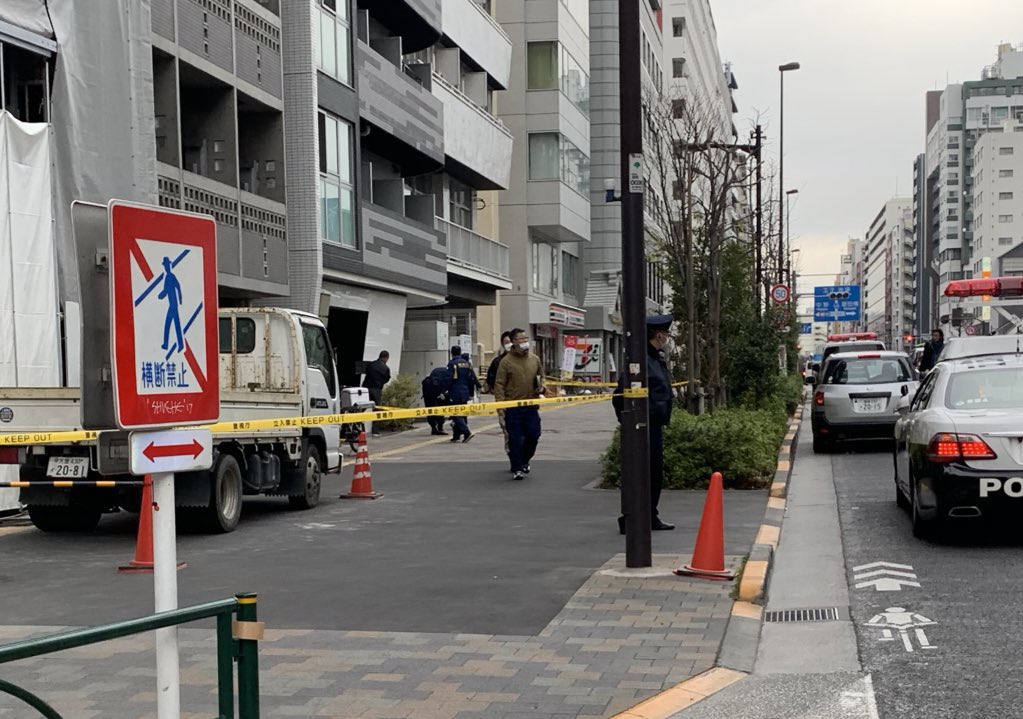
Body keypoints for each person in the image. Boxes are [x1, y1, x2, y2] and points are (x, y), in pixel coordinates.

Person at [612, 315, 676, 534]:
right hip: (642, 427)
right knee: (641, 473)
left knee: (653, 473)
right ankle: (632, 518)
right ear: (658, 334)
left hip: (653, 425)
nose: (666, 337)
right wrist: (632, 422)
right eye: (665, 333)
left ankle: (650, 515)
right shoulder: (639, 361)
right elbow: (620, 396)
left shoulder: (654, 358)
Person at [494, 328, 545, 480]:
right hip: (512, 407)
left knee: (533, 435)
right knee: (515, 439)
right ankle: (517, 467)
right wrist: (500, 406)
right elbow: (499, 384)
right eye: (521, 339)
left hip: (530, 406)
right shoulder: (506, 362)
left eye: (526, 338)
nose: (524, 342)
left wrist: (542, 386)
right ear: (514, 342)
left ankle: (524, 460)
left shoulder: (534, 359)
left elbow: (541, 376)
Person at [486, 331, 515, 470]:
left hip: (523, 403)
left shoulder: (528, 359)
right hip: (504, 404)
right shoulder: (498, 362)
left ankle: (523, 458)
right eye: (506, 342)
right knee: (508, 432)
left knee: (527, 434)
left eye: (510, 341)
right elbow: (490, 381)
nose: (509, 344)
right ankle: (514, 460)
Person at [447, 345, 480, 442]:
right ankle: (457, 435)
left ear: (451, 353)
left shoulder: (452, 363)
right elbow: (471, 379)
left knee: (455, 413)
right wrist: (471, 392)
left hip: (455, 392)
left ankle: (466, 432)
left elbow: (449, 378)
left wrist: (445, 390)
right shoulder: (467, 364)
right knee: (463, 412)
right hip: (465, 391)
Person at [363, 351, 391, 437]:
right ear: (386, 358)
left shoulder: (371, 364)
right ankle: (375, 431)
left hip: (366, 388)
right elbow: (386, 379)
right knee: (377, 410)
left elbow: (366, 373)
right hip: (376, 390)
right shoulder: (385, 368)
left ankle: (359, 428)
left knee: (362, 408)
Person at [421, 365, 451, 435]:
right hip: (436, 391)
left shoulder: (438, 370)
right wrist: (443, 393)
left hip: (427, 391)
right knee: (439, 409)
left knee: (430, 410)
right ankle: (440, 428)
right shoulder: (449, 373)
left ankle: (433, 428)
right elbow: (447, 384)